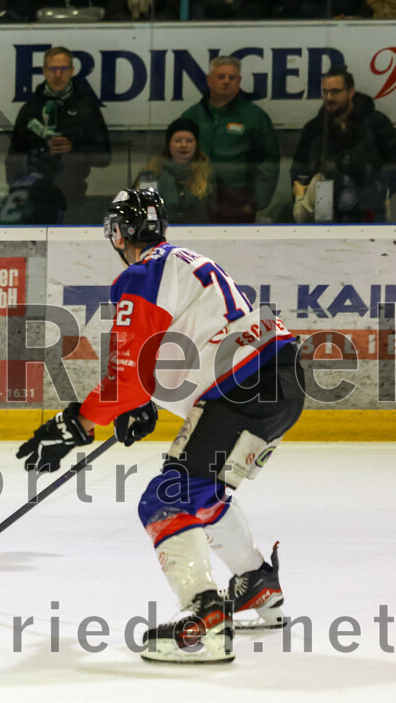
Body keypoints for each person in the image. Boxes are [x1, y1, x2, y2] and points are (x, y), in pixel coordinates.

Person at [16, 189, 304, 664]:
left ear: (116, 232)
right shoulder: (184, 261)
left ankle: (207, 620)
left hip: (245, 388)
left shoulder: (142, 272)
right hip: (281, 377)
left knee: (165, 498)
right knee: (199, 493)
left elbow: (128, 377)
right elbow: (188, 345)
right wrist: (143, 400)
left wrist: (76, 425)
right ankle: (255, 585)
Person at [5, 46, 111, 224]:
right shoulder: (31, 109)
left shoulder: (86, 108)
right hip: (34, 199)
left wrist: (74, 149)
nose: (58, 74)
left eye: (63, 69)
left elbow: (104, 157)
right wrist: (16, 192)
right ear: (44, 71)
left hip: (74, 198)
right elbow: (13, 157)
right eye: (53, 69)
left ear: (72, 71)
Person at [290, 66, 396, 223]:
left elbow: (393, 162)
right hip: (324, 209)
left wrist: (380, 188)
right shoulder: (315, 128)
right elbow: (299, 169)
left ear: (350, 92)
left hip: (369, 209)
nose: (329, 97)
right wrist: (303, 193)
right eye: (325, 92)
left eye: (335, 91)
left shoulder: (376, 124)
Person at [182, 56, 280, 224]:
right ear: (209, 80)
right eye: (221, 77)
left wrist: (255, 202)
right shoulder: (191, 117)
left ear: (239, 81)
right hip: (197, 204)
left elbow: (268, 162)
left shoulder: (254, 117)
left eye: (232, 77)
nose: (226, 81)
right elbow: (176, 161)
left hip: (239, 206)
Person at [134, 117, 216, 224]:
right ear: (169, 143)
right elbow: (144, 210)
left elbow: (214, 210)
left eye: (189, 141)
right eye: (178, 141)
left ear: (196, 144)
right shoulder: (153, 170)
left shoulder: (207, 172)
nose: (183, 145)